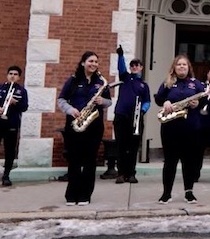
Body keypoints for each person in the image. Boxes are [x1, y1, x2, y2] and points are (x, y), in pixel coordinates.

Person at [57, 51, 112, 206]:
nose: (94, 64)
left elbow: (109, 102)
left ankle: (85, 195)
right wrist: (71, 110)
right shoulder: (73, 81)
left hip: (94, 125)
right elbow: (61, 100)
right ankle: (71, 195)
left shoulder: (101, 82)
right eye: (90, 61)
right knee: (74, 159)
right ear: (83, 63)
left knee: (89, 160)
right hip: (75, 124)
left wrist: (103, 101)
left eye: (96, 61)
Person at [154, 54, 205, 204]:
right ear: (174, 68)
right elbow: (158, 98)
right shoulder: (168, 83)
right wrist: (166, 101)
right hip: (170, 128)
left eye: (184, 65)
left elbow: (205, 99)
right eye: (179, 65)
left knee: (189, 162)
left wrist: (198, 104)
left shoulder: (196, 84)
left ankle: (189, 192)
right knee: (170, 162)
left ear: (189, 68)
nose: (182, 67)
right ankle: (166, 193)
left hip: (191, 128)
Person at [114, 45, 151, 184]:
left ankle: (131, 174)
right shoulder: (125, 77)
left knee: (133, 147)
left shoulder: (144, 85)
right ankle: (121, 173)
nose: (134, 67)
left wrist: (142, 111)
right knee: (121, 146)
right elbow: (121, 68)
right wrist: (120, 56)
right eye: (132, 65)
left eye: (137, 65)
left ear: (141, 67)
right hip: (121, 116)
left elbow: (147, 101)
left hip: (136, 119)